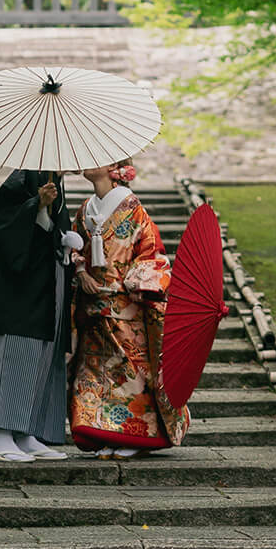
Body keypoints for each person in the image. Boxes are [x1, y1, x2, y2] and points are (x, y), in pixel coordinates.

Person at [68, 160, 190, 457]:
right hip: (92, 306)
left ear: (115, 169)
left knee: (129, 374)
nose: (88, 163)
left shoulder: (133, 207)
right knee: (94, 372)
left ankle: (133, 437)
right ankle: (104, 432)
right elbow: (74, 250)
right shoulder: (85, 209)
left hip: (126, 307)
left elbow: (151, 253)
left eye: (98, 160)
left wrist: (133, 284)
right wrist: (81, 272)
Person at [0, 167, 82, 462]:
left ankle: (28, 432)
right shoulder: (22, 180)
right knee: (19, 351)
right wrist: (36, 205)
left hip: (51, 281)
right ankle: (3, 433)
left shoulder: (56, 183)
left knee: (46, 355)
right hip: (23, 288)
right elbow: (4, 223)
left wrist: (65, 241)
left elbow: (53, 230)